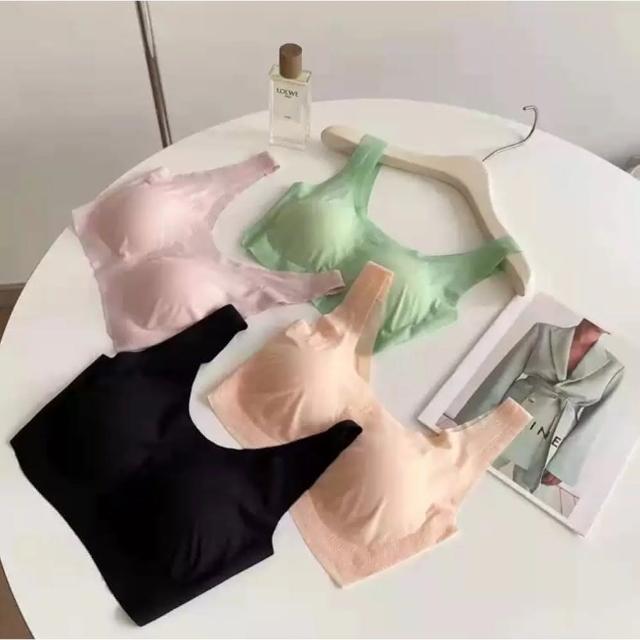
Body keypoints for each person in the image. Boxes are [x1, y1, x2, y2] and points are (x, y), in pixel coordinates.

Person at [455, 319, 624, 492]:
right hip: (513, 411)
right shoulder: (543, 332)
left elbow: (594, 420)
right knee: (467, 474)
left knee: (520, 494)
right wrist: (474, 420)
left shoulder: (613, 368)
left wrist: (563, 464)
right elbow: (504, 373)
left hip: (553, 436)